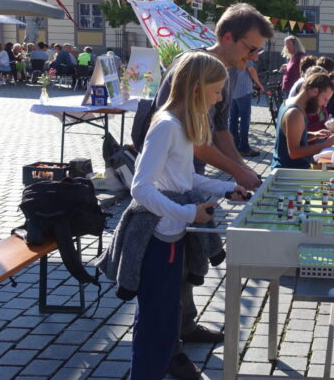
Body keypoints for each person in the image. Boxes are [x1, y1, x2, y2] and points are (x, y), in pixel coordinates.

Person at [98, 52, 247, 380]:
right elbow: (141, 189)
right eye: (217, 90)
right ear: (197, 89)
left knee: (168, 315)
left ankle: (165, 363)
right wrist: (188, 211)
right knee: (155, 319)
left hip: (172, 235)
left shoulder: (179, 125)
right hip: (157, 239)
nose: (221, 98)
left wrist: (225, 189)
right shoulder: (166, 126)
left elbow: (184, 179)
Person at [147, 3, 273, 379]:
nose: (254, 58)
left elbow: (221, 134)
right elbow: (196, 142)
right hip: (170, 186)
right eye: (251, 49)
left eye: (258, 52)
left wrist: (243, 173)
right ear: (227, 37)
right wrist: (237, 172)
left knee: (187, 260)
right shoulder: (193, 71)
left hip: (192, 181)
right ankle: (167, 347)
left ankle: (184, 326)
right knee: (168, 269)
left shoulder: (227, 73)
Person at [272, 72, 334, 169]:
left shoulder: (289, 102)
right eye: (325, 99)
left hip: (289, 167)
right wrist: (325, 144)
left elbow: (292, 138)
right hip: (290, 172)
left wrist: (314, 135)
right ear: (315, 91)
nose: (325, 105)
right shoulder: (295, 113)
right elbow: (294, 153)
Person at [228, 59, 265, 158]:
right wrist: (259, 84)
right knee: (244, 121)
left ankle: (234, 147)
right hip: (243, 91)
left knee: (233, 120)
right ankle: (244, 148)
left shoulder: (230, 52)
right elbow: (251, 70)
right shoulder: (243, 53)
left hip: (232, 92)